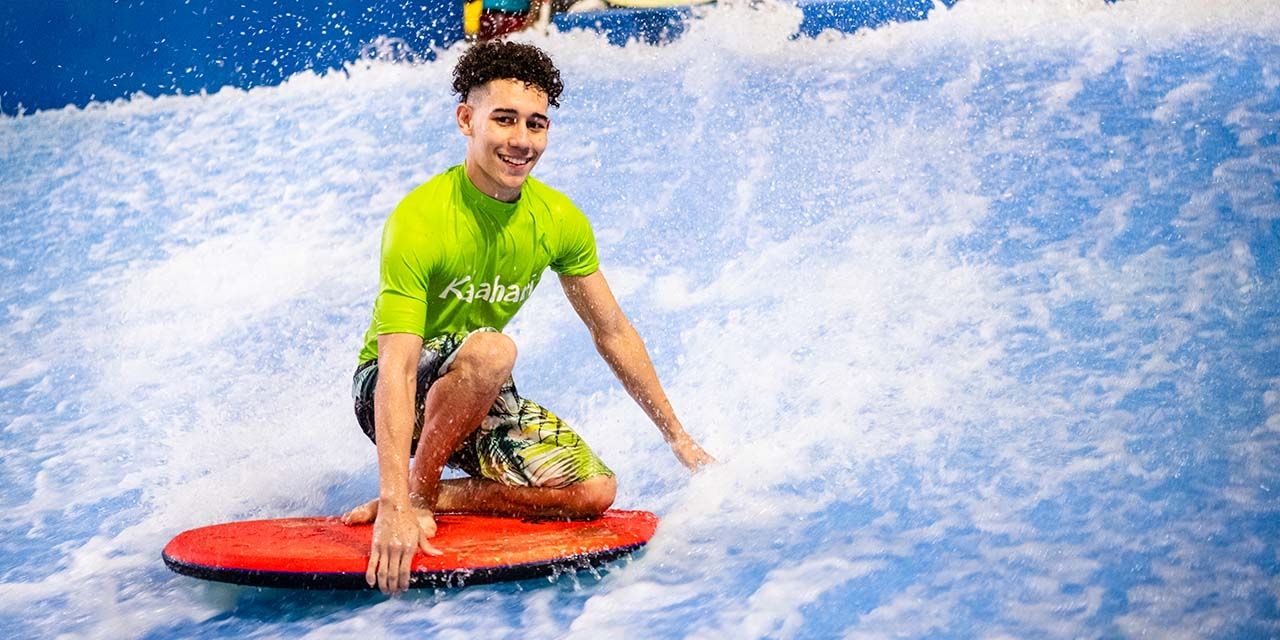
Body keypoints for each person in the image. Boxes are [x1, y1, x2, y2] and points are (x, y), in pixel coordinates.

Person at [340, 40, 715, 595]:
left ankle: (442, 493)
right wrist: (399, 502)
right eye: (505, 119)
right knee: (494, 349)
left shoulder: (557, 219)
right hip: (389, 391)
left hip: (474, 394)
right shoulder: (419, 220)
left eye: (536, 124)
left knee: (592, 491)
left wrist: (679, 438)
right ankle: (417, 491)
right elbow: (395, 369)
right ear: (467, 120)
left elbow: (610, 330)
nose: (521, 140)